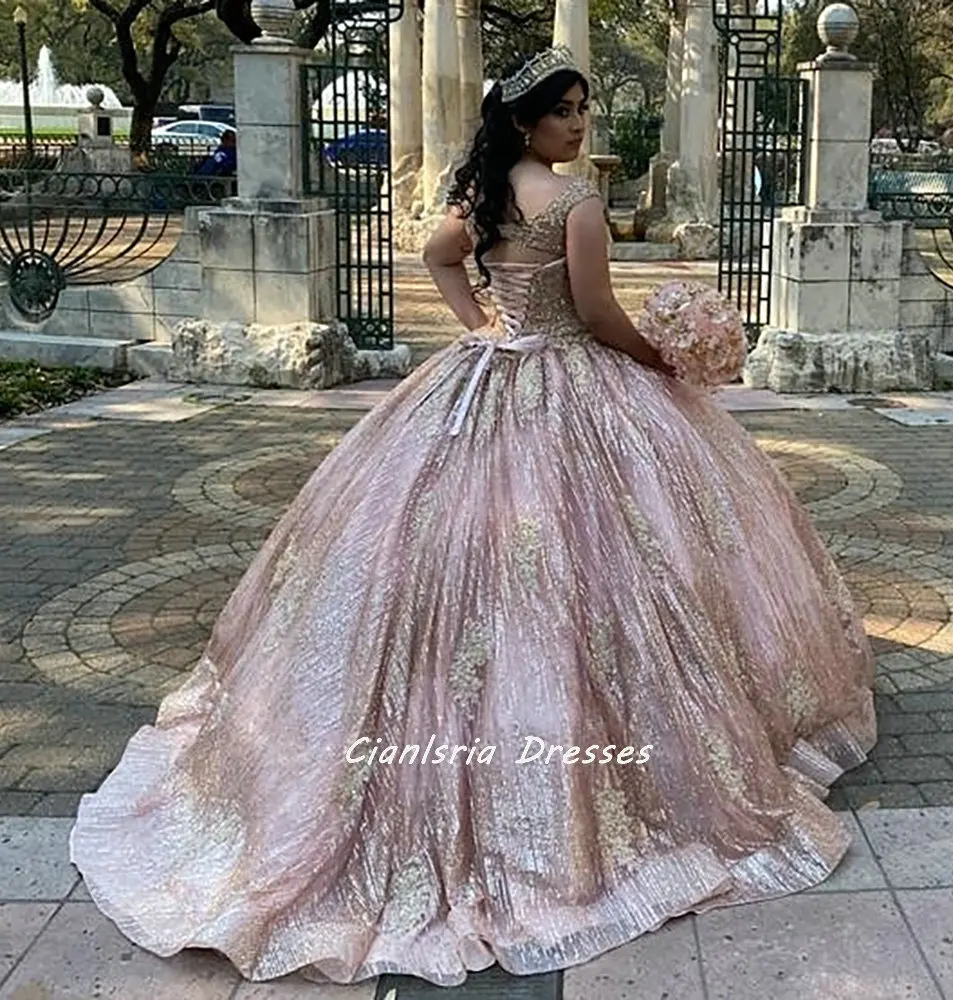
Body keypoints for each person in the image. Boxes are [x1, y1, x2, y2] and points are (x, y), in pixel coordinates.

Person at [69, 46, 877, 988]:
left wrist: (482, 326)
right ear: (529, 121)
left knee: (476, 557)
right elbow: (598, 313)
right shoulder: (574, 205)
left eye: (583, 108)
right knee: (613, 560)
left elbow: (438, 253)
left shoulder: (488, 193)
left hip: (489, 377)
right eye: (566, 111)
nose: (581, 125)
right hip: (575, 382)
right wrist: (664, 360)